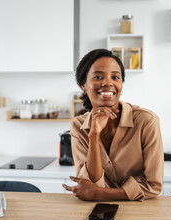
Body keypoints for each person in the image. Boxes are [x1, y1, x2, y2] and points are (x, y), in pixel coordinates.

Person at [62, 49, 164, 201]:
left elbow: (153, 186)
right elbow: (89, 183)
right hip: (96, 212)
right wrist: (94, 135)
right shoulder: (79, 125)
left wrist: (99, 193)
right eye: (98, 77)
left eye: (115, 77)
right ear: (84, 84)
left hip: (140, 212)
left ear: (121, 84)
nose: (108, 83)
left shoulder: (146, 121)